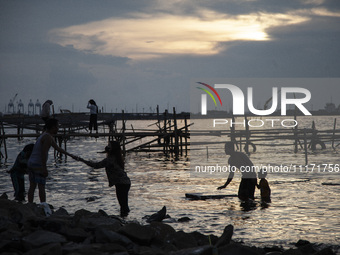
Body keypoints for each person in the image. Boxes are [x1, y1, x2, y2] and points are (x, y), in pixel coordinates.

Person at [75, 141, 131, 217]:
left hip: (121, 183)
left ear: (112, 149)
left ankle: (124, 219)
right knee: (123, 203)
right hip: (124, 183)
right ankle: (125, 218)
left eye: (109, 146)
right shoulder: (116, 158)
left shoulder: (110, 159)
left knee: (123, 204)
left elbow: (96, 165)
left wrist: (82, 160)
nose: (107, 147)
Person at [27, 118, 76, 203]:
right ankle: (43, 205)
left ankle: (30, 205)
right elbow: (43, 153)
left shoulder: (45, 135)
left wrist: (70, 155)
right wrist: (44, 168)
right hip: (38, 164)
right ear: (53, 127)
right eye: (57, 127)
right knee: (41, 186)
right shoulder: (48, 137)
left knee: (32, 186)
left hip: (32, 162)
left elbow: (57, 148)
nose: (58, 128)